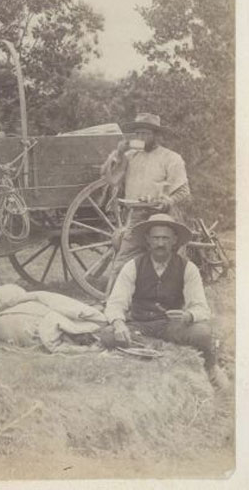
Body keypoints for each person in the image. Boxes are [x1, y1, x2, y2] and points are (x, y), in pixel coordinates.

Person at [98, 214, 226, 389]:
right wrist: (119, 324)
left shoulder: (188, 268)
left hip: (171, 326)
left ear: (174, 241)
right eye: (156, 238)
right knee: (107, 334)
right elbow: (116, 303)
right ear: (147, 240)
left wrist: (188, 316)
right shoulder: (132, 266)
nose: (160, 243)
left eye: (165, 238)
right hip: (140, 325)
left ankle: (211, 368)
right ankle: (159, 348)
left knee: (203, 333)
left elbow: (201, 308)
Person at [102, 113, 190, 286]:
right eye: (138, 134)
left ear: (156, 135)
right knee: (122, 261)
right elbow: (111, 179)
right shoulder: (131, 156)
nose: (140, 138)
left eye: (145, 134)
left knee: (168, 262)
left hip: (163, 217)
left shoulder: (171, 158)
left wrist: (168, 201)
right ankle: (112, 302)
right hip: (137, 216)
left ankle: (172, 302)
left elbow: (184, 191)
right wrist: (118, 153)